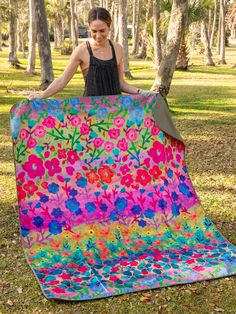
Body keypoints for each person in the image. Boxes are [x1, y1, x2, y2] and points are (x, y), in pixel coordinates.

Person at [28, 7, 149, 101]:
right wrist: (42, 95)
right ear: (89, 28)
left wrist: (143, 93)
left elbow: (121, 83)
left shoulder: (117, 49)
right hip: (90, 111)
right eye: (94, 31)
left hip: (115, 112)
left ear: (109, 27)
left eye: (102, 31)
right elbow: (62, 81)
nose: (98, 35)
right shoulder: (82, 50)